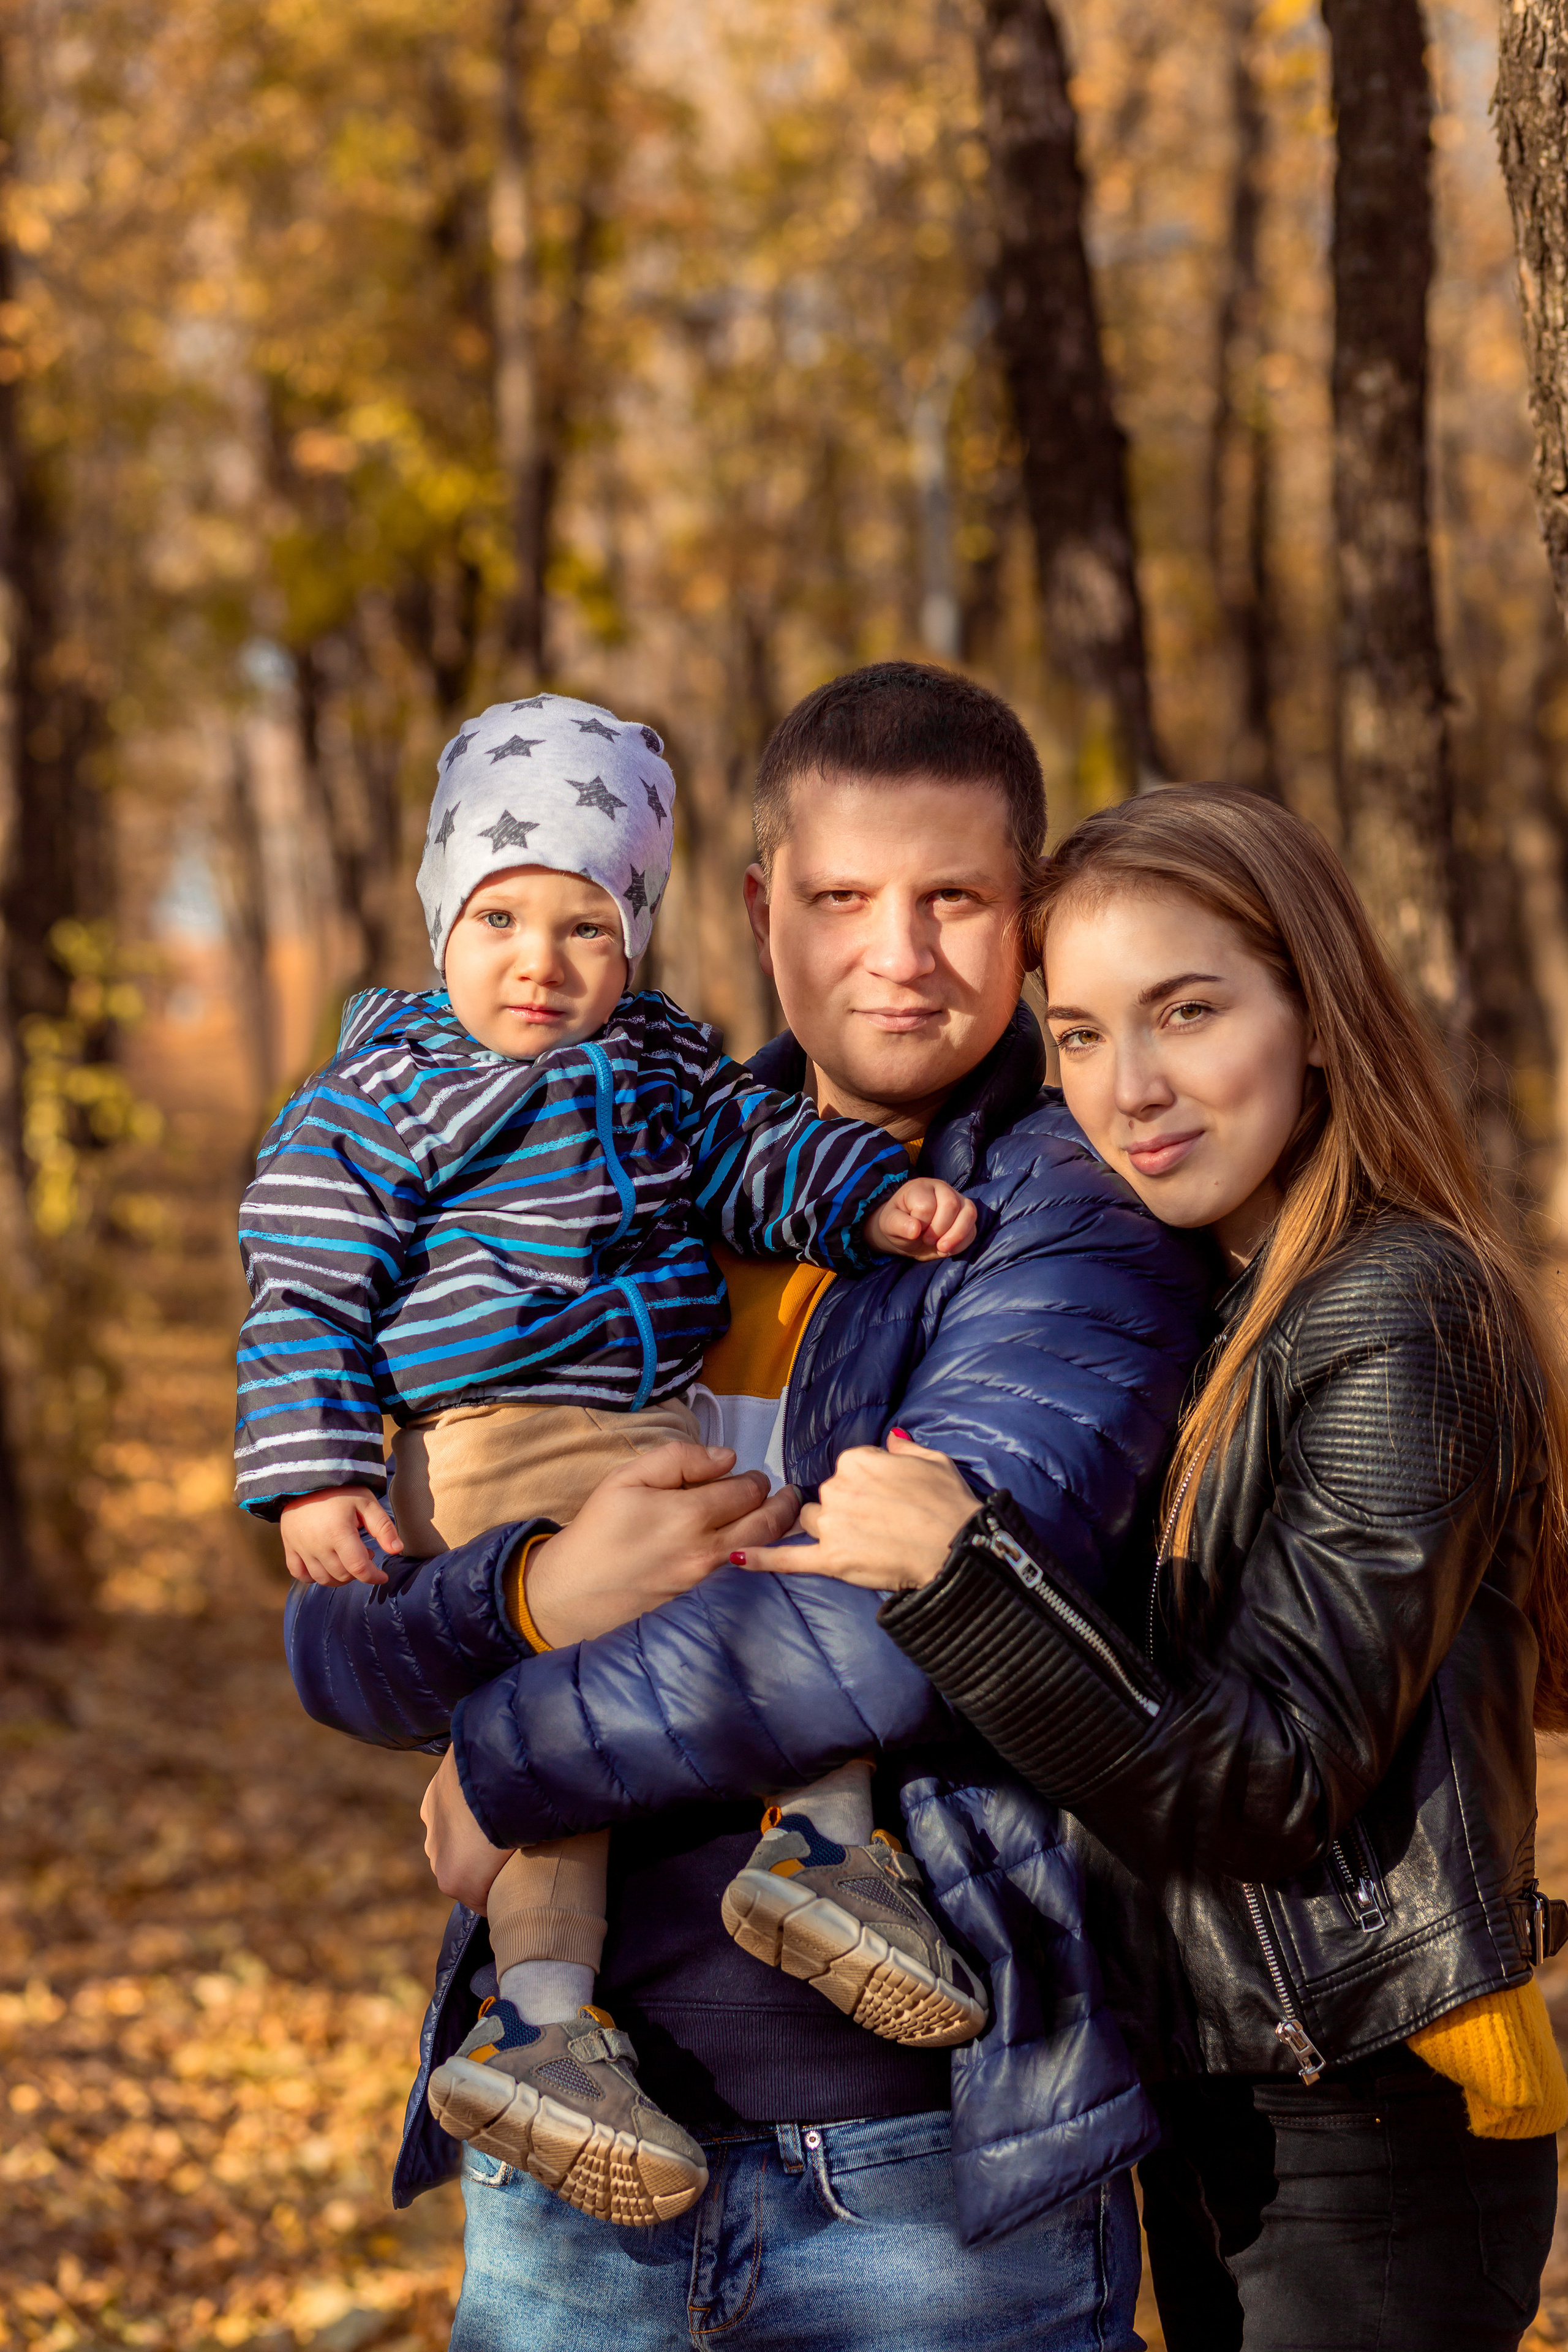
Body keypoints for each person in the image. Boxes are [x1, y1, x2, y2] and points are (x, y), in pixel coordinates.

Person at [285, 662, 1212, 2351]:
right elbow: (335, 1645)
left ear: (1029, 913)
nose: (899, 954)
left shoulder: (1066, 1217)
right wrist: (530, 1597)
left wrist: (499, 1758)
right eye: (844, 897)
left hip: (920, 2175)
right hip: (577, 2156)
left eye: (956, 899)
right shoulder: (611, 1157)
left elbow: (892, 1633)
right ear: (755, 906)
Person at [760, 783, 1568, 2351]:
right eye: (1076, 1034)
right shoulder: (1205, 1297)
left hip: (1367, 2112)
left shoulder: (1395, 1304)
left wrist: (961, 1576)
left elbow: (1269, 1779)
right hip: (1221, 2091)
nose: (1128, 1088)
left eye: (1186, 1012)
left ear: (1314, 1014)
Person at [234, 689, 985, 2225]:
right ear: (440, 920)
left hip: (647, 1429)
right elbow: (304, 1285)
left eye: (586, 926)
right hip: (497, 1434)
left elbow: (761, 1153)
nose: (541, 961)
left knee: (784, 1569)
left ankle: (819, 1852)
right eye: (500, 918)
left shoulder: (661, 1068)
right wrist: (318, 1471)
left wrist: (866, 1199)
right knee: (563, 1733)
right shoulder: (379, 1100)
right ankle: (540, 2022)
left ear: (634, 940)